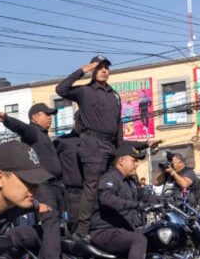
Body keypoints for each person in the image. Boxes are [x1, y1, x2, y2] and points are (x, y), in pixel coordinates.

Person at [55, 56, 160, 237]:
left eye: (106, 68)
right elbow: (61, 89)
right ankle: (82, 230)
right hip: (92, 144)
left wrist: (141, 145)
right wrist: (83, 70)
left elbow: (119, 126)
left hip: (111, 145)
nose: (104, 70)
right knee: (92, 187)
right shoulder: (84, 91)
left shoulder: (114, 95)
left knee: (118, 182)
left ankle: (119, 222)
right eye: (99, 67)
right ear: (93, 70)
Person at [0, 103, 65, 259]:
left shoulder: (45, 137)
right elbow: (22, 128)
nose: (50, 118)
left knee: (53, 230)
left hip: (56, 186)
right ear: (35, 117)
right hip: (43, 186)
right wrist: (6, 119)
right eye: (46, 114)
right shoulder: (34, 133)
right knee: (51, 224)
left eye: (51, 115)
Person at [86, 144, 164, 259]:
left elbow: (145, 197)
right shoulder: (110, 178)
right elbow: (107, 198)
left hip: (123, 230)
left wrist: (164, 201)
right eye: (133, 160)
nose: (136, 164)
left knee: (154, 236)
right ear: (121, 161)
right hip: (105, 230)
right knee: (139, 240)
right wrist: (135, 205)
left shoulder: (131, 181)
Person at [53, 130, 84, 227]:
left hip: (94, 191)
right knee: (76, 225)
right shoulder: (63, 141)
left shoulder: (95, 140)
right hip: (74, 192)